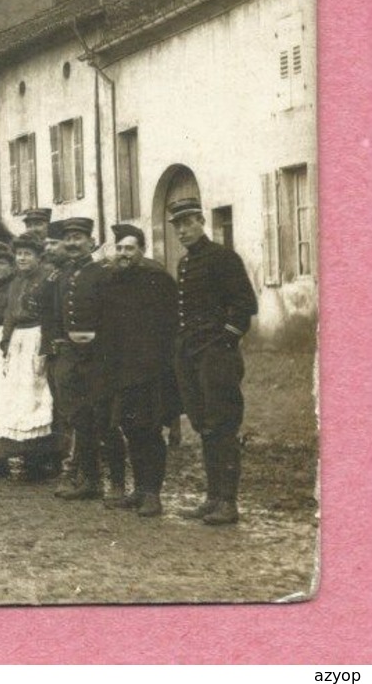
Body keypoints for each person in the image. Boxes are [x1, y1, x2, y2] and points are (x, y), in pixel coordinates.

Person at [168, 197, 258, 526]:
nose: (182, 231)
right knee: (204, 424)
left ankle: (228, 502)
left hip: (217, 356)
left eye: (188, 223)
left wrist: (224, 340)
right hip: (191, 356)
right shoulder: (184, 264)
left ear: (201, 222)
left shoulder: (223, 258)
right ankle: (213, 497)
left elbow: (245, 305)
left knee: (222, 425)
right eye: (177, 225)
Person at [97, 224, 179, 517]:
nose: (123, 254)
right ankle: (139, 489)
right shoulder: (112, 281)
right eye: (119, 248)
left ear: (141, 250)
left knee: (150, 429)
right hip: (121, 370)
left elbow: (171, 326)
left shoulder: (157, 278)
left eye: (129, 248)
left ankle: (152, 494)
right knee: (131, 428)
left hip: (150, 369)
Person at [0, 237, 56, 477]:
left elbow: (49, 314)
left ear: (38, 257)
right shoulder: (10, 285)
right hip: (10, 342)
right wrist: (5, 343)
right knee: (6, 396)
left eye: (28, 254)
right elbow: (7, 317)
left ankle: (37, 458)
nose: (23, 258)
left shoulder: (46, 279)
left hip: (35, 337)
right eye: (20, 254)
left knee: (31, 396)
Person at [49, 218, 123, 503]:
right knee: (80, 420)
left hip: (98, 357)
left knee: (105, 421)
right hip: (71, 357)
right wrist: (59, 342)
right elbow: (56, 314)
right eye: (67, 238)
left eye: (78, 237)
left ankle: (116, 483)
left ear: (91, 242)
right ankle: (91, 481)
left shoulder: (103, 273)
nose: (71, 243)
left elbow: (114, 317)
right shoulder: (64, 275)